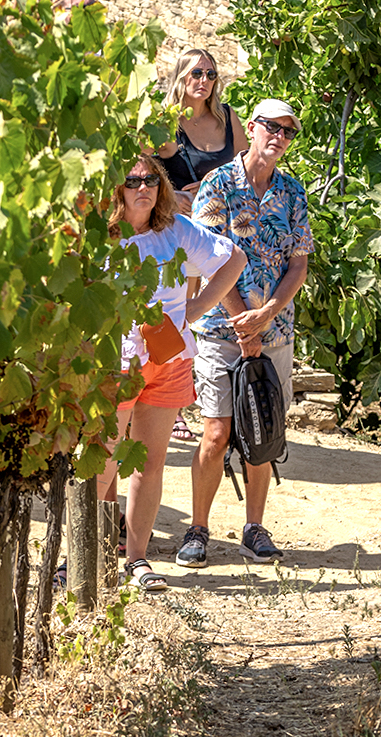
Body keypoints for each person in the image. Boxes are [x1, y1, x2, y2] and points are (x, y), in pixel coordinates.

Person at [176, 98, 313, 567]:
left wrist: (270, 312)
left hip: (274, 331)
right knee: (215, 432)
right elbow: (209, 260)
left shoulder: (293, 192)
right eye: (271, 127)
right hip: (220, 330)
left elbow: (299, 262)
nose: (278, 137)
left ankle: (254, 528)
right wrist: (243, 323)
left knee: (264, 432)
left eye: (287, 131)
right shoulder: (217, 184)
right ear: (251, 128)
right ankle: (198, 528)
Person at [97, 156, 245, 590]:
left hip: (168, 361)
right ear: (117, 189)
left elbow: (232, 259)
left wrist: (195, 311)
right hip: (115, 360)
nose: (142, 187)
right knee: (102, 465)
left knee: (151, 463)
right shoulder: (102, 239)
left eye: (151, 180)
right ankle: (84, 557)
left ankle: (136, 559)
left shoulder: (175, 231)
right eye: (132, 181)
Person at [155, 48, 248, 215]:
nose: (204, 80)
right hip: (182, 224)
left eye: (211, 75)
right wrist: (167, 195)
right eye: (197, 73)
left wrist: (213, 186)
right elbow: (135, 168)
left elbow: (247, 169)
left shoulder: (226, 117)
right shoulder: (165, 122)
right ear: (181, 77)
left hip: (224, 222)